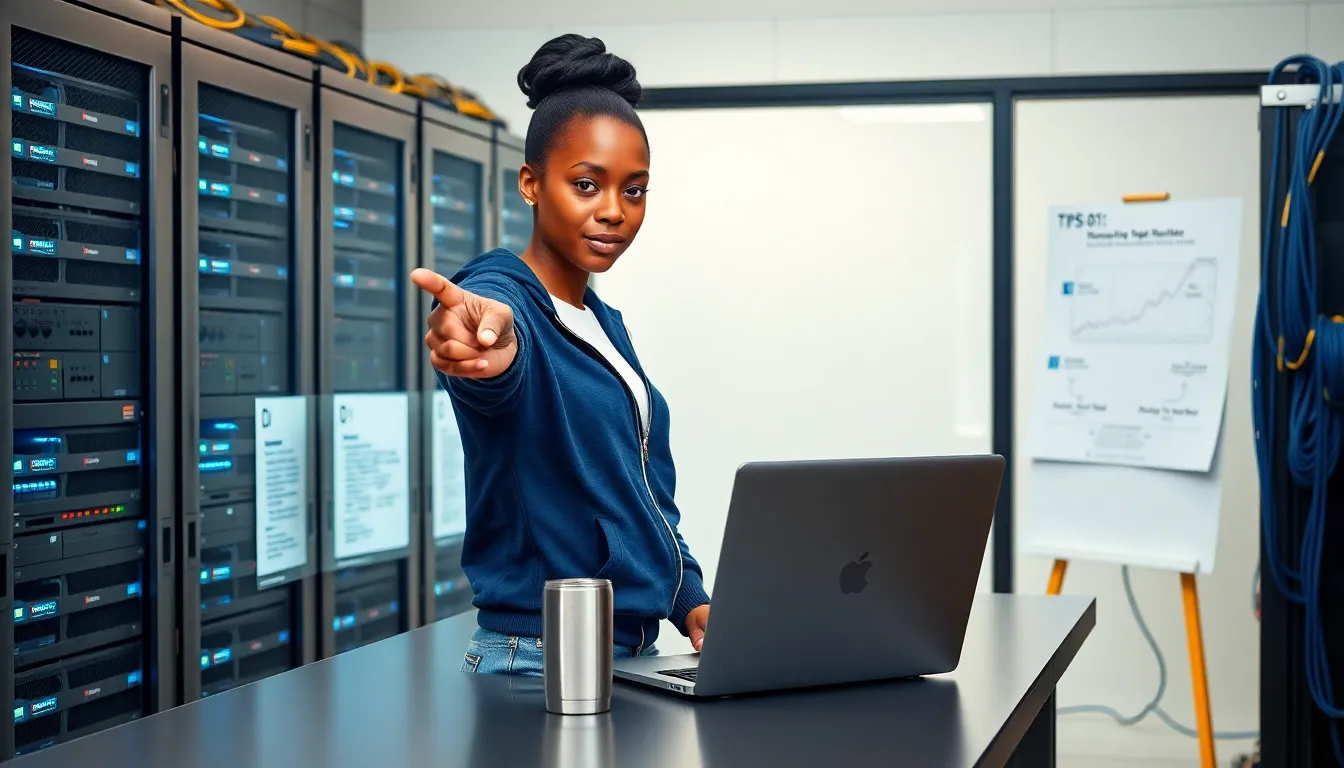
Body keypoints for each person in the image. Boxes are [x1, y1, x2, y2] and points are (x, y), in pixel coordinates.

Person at [409, 33, 711, 676]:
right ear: (531, 184)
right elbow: (496, 361)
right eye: (586, 183)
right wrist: (484, 347)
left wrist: (688, 596)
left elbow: (639, 490)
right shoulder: (501, 296)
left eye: (634, 190)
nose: (613, 212)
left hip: (626, 648)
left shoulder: (603, 325)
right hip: (538, 655)